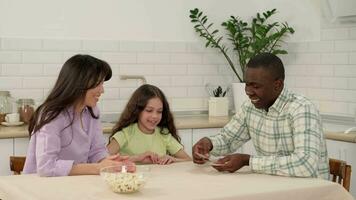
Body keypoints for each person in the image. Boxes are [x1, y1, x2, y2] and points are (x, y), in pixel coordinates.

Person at [192, 53, 329, 179]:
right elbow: (228, 139)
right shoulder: (250, 108)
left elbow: (305, 164)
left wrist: (248, 161)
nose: (248, 91)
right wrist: (209, 144)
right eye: (247, 84)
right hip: (273, 187)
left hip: (310, 192)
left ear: (278, 85)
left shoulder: (301, 109)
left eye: (256, 86)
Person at [23, 54, 132, 177]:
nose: (102, 90)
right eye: (98, 84)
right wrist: (97, 168)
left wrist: (110, 163)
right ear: (80, 83)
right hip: (40, 188)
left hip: (74, 183)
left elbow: (97, 151)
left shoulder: (92, 112)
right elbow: (46, 167)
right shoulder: (51, 115)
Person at [107, 84, 191, 165]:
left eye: (159, 111)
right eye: (149, 110)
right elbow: (103, 160)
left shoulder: (164, 134)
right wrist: (137, 158)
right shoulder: (125, 134)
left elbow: (188, 160)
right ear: (137, 111)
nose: (155, 116)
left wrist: (173, 159)